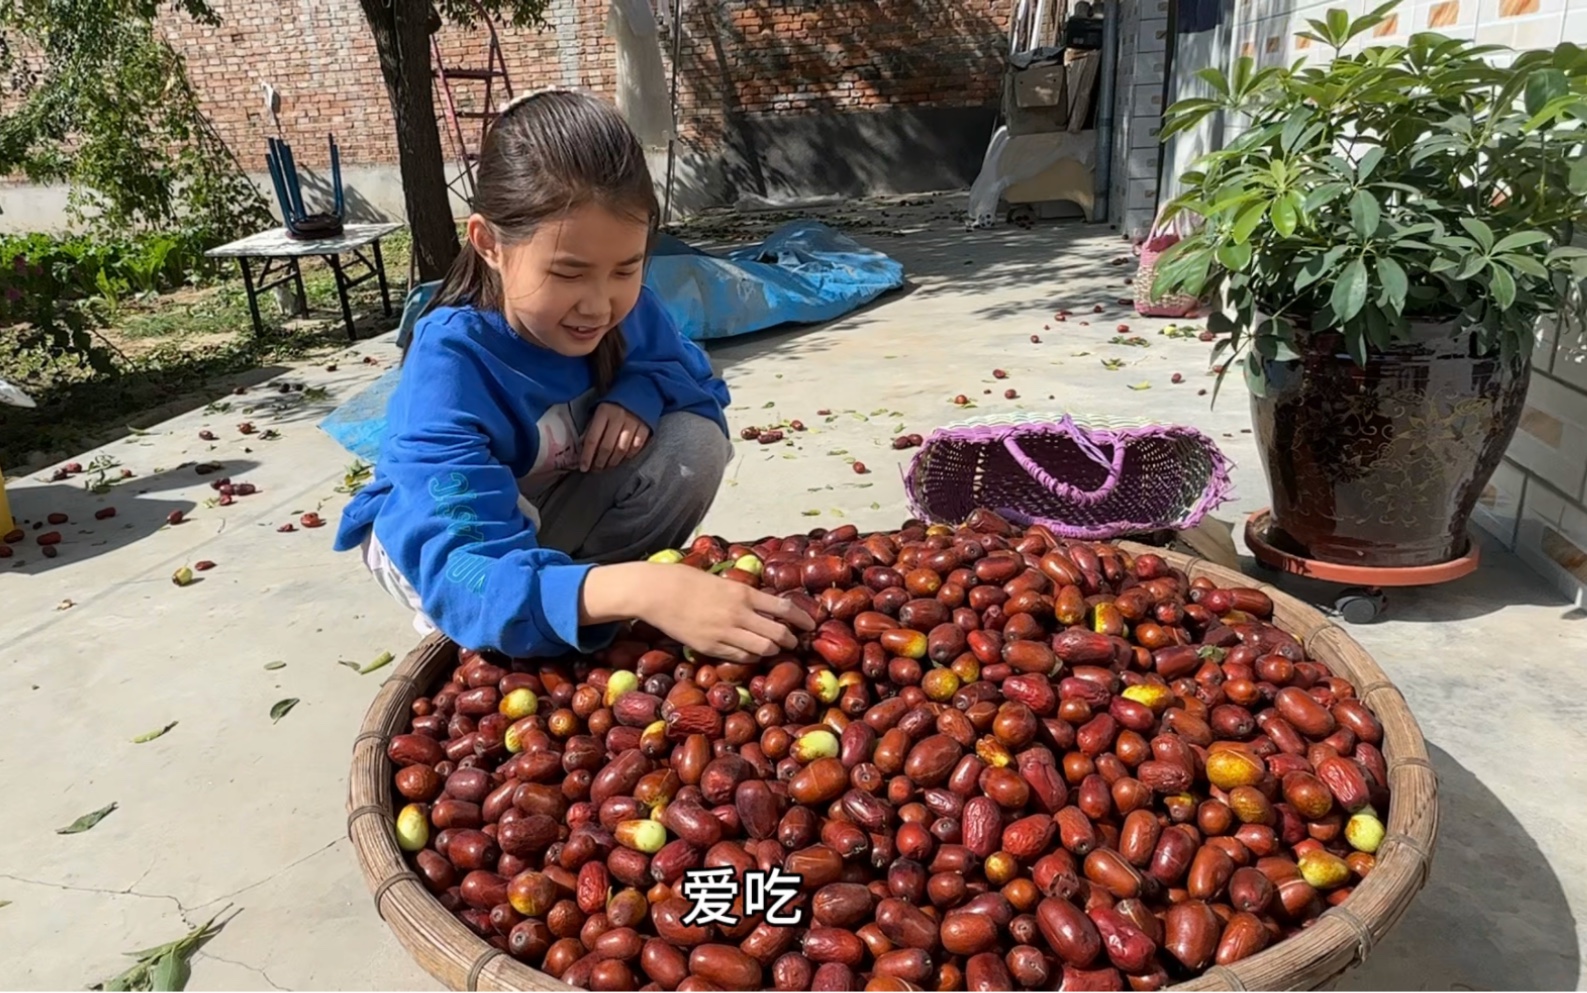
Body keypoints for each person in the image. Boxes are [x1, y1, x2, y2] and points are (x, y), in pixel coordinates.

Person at [333, 88, 812, 663]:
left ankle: (565, 599)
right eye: (568, 272)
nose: (598, 305)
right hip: (449, 544)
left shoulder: (626, 309)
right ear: (489, 244)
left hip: (549, 508)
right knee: (480, 604)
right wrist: (642, 587)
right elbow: (461, 564)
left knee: (693, 445)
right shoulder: (452, 364)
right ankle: (528, 611)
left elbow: (694, 382)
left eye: (626, 268)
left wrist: (639, 393)